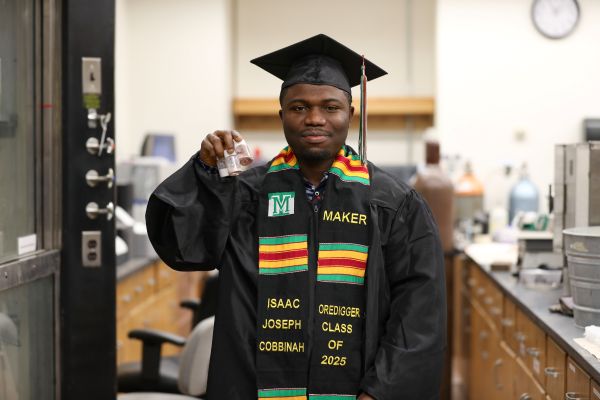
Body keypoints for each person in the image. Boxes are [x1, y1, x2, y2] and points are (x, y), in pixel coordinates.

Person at [146, 34, 446, 400]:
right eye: (299, 107)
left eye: (330, 107)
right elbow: (185, 249)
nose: (314, 119)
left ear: (350, 114)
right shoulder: (244, 195)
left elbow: (419, 315)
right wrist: (205, 173)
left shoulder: (393, 204)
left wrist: (381, 392)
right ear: (282, 115)